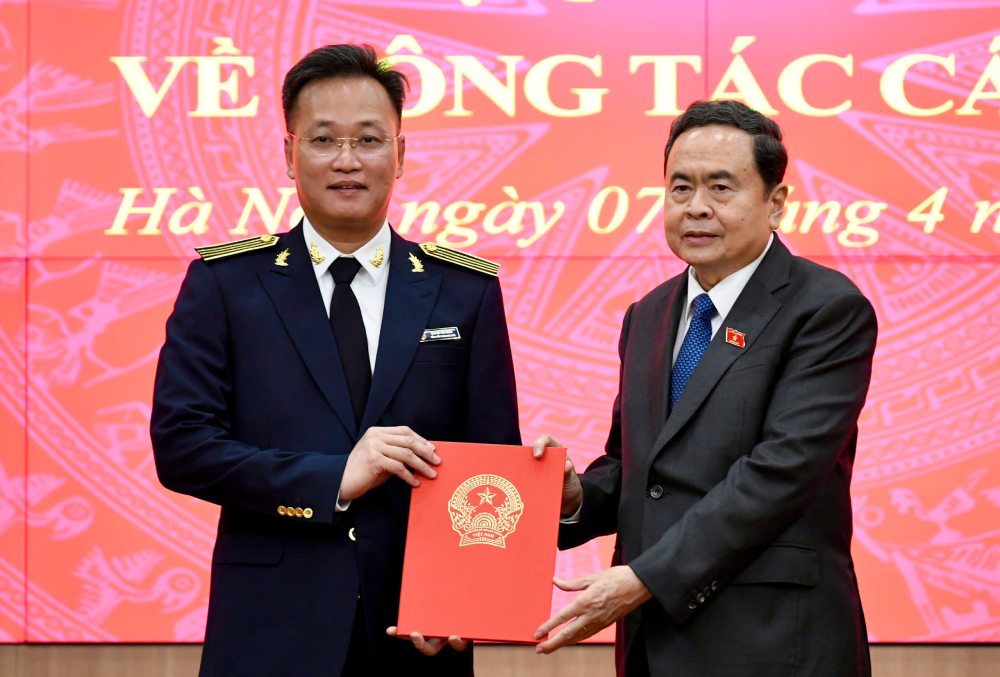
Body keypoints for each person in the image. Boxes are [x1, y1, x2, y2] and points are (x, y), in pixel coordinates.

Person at [150, 44, 520, 676]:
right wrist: (331, 479)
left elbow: (492, 467)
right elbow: (183, 448)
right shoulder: (226, 285)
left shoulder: (465, 292)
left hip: (415, 637)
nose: (347, 161)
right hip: (268, 632)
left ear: (400, 155)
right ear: (289, 153)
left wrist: (465, 603)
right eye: (323, 140)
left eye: (369, 140)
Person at [532, 99, 876, 676]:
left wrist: (644, 578)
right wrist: (576, 498)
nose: (696, 208)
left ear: (776, 204)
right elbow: (637, 465)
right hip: (655, 642)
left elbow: (780, 471)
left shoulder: (825, 308)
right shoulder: (648, 314)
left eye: (721, 188)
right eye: (680, 188)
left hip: (773, 643)